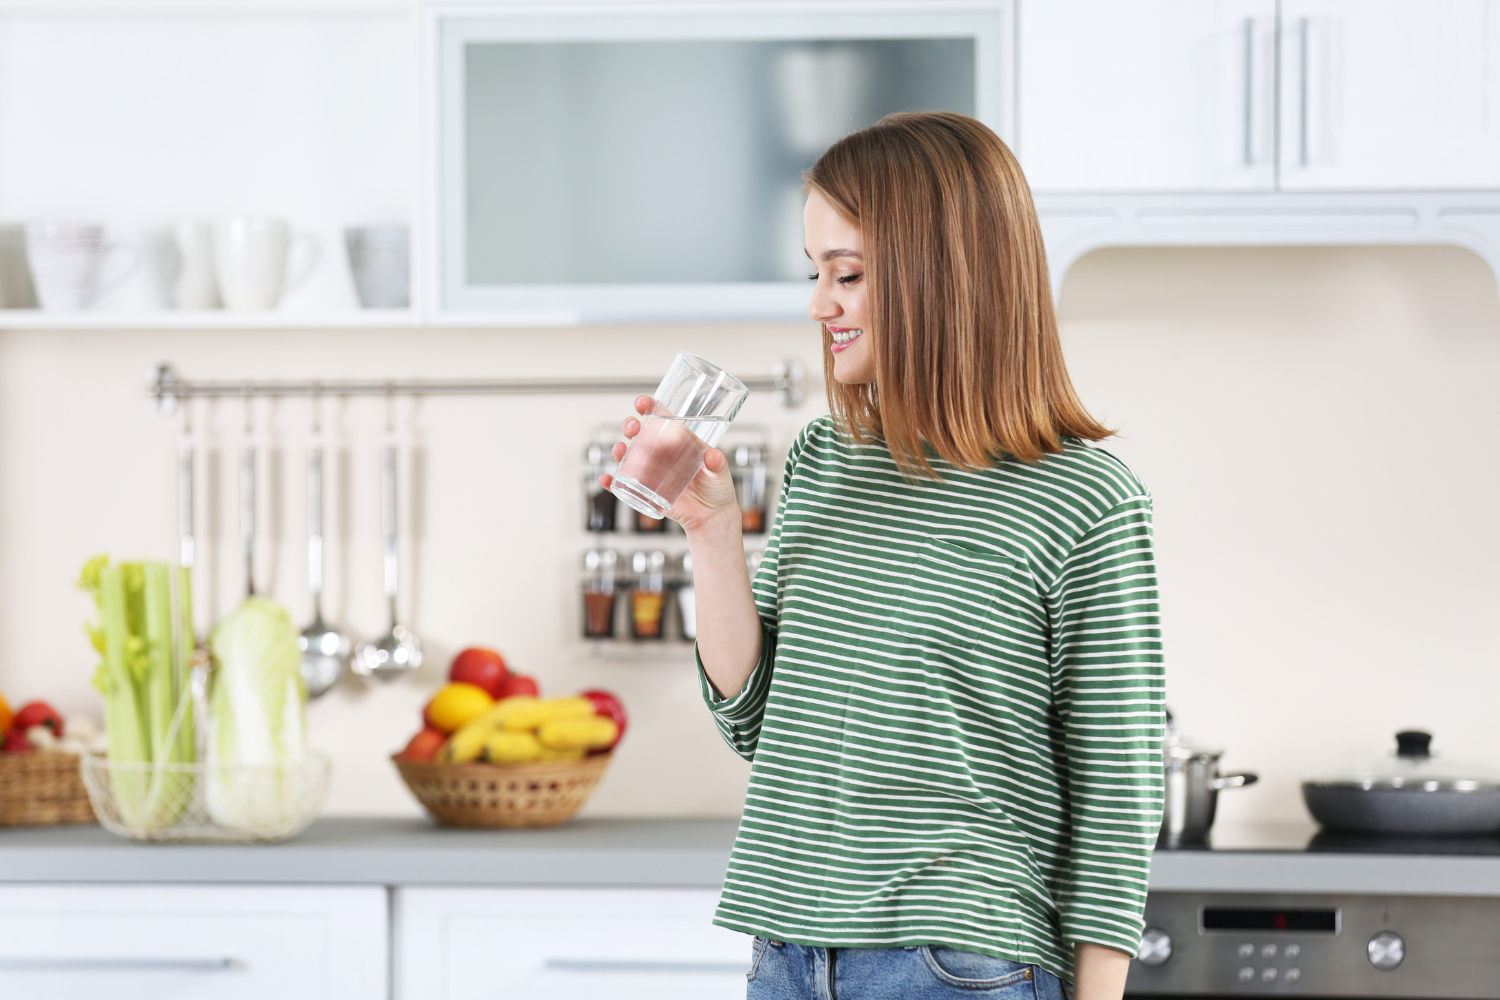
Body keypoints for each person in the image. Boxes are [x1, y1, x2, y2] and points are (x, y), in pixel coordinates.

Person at [604, 111, 1164, 1000]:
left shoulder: (1085, 500)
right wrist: (709, 529)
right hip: (786, 950)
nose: (820, 303)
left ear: (948, 274)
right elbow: (752, 722)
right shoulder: (826, 460)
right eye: (815, 272)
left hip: (954, 965)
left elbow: (1116, 796)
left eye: (849, 274)